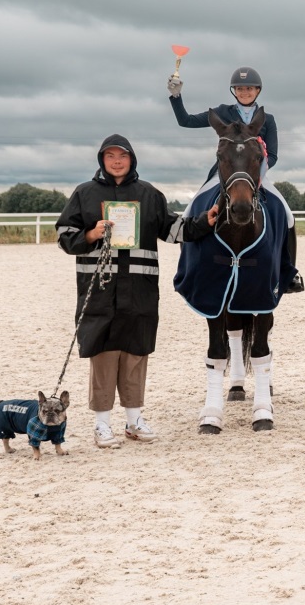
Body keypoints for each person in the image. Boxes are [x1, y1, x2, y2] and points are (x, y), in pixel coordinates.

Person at [56, 135, 218, 448]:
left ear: (132, 159)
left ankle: (134, 420)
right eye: (110, 156)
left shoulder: (149, 194)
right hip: (99, 291)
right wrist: (91, 233)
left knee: (134, 355)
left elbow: (174, 229)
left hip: (140, 292)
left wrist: (205, 222)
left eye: (122, 156)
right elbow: (65, 235)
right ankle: (102, 425)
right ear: (102, 159)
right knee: (103, 356)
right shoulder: (84, 194)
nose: (116, 161)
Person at [167, 66, 303, 292]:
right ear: (234, 91)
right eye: (240, 88)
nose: (244, 92)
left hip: (257, 174)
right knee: (191, 209)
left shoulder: (267, 119)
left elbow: (275, 155)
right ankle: (188, 265)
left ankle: (289, 272)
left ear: (257, 90)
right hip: (225, 174)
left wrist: (258, 174)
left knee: (286, 214)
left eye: (249, 88)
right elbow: (186, 121)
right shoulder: (222, 112)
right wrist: (175, 96)